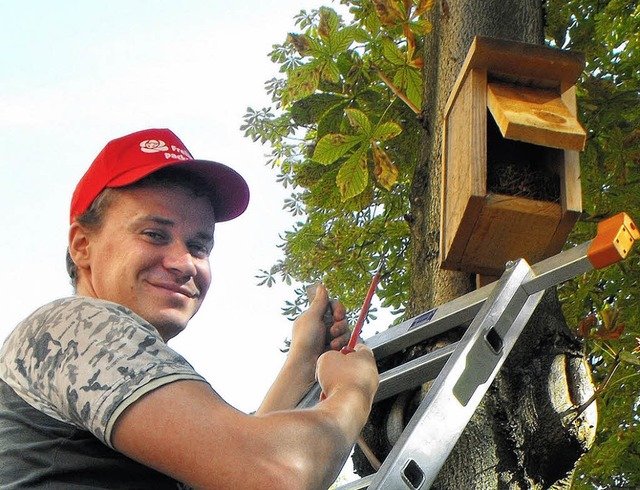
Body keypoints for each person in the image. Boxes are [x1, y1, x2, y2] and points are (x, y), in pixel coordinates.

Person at [0, 128, 379, 489]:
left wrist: (303, 362)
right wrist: (353, 389)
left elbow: (228, 474)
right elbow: (275, 473)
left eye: (199, 246)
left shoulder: (88, 369)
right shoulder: (79, 327)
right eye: (154, 234)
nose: (184, 263)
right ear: (82, 245)